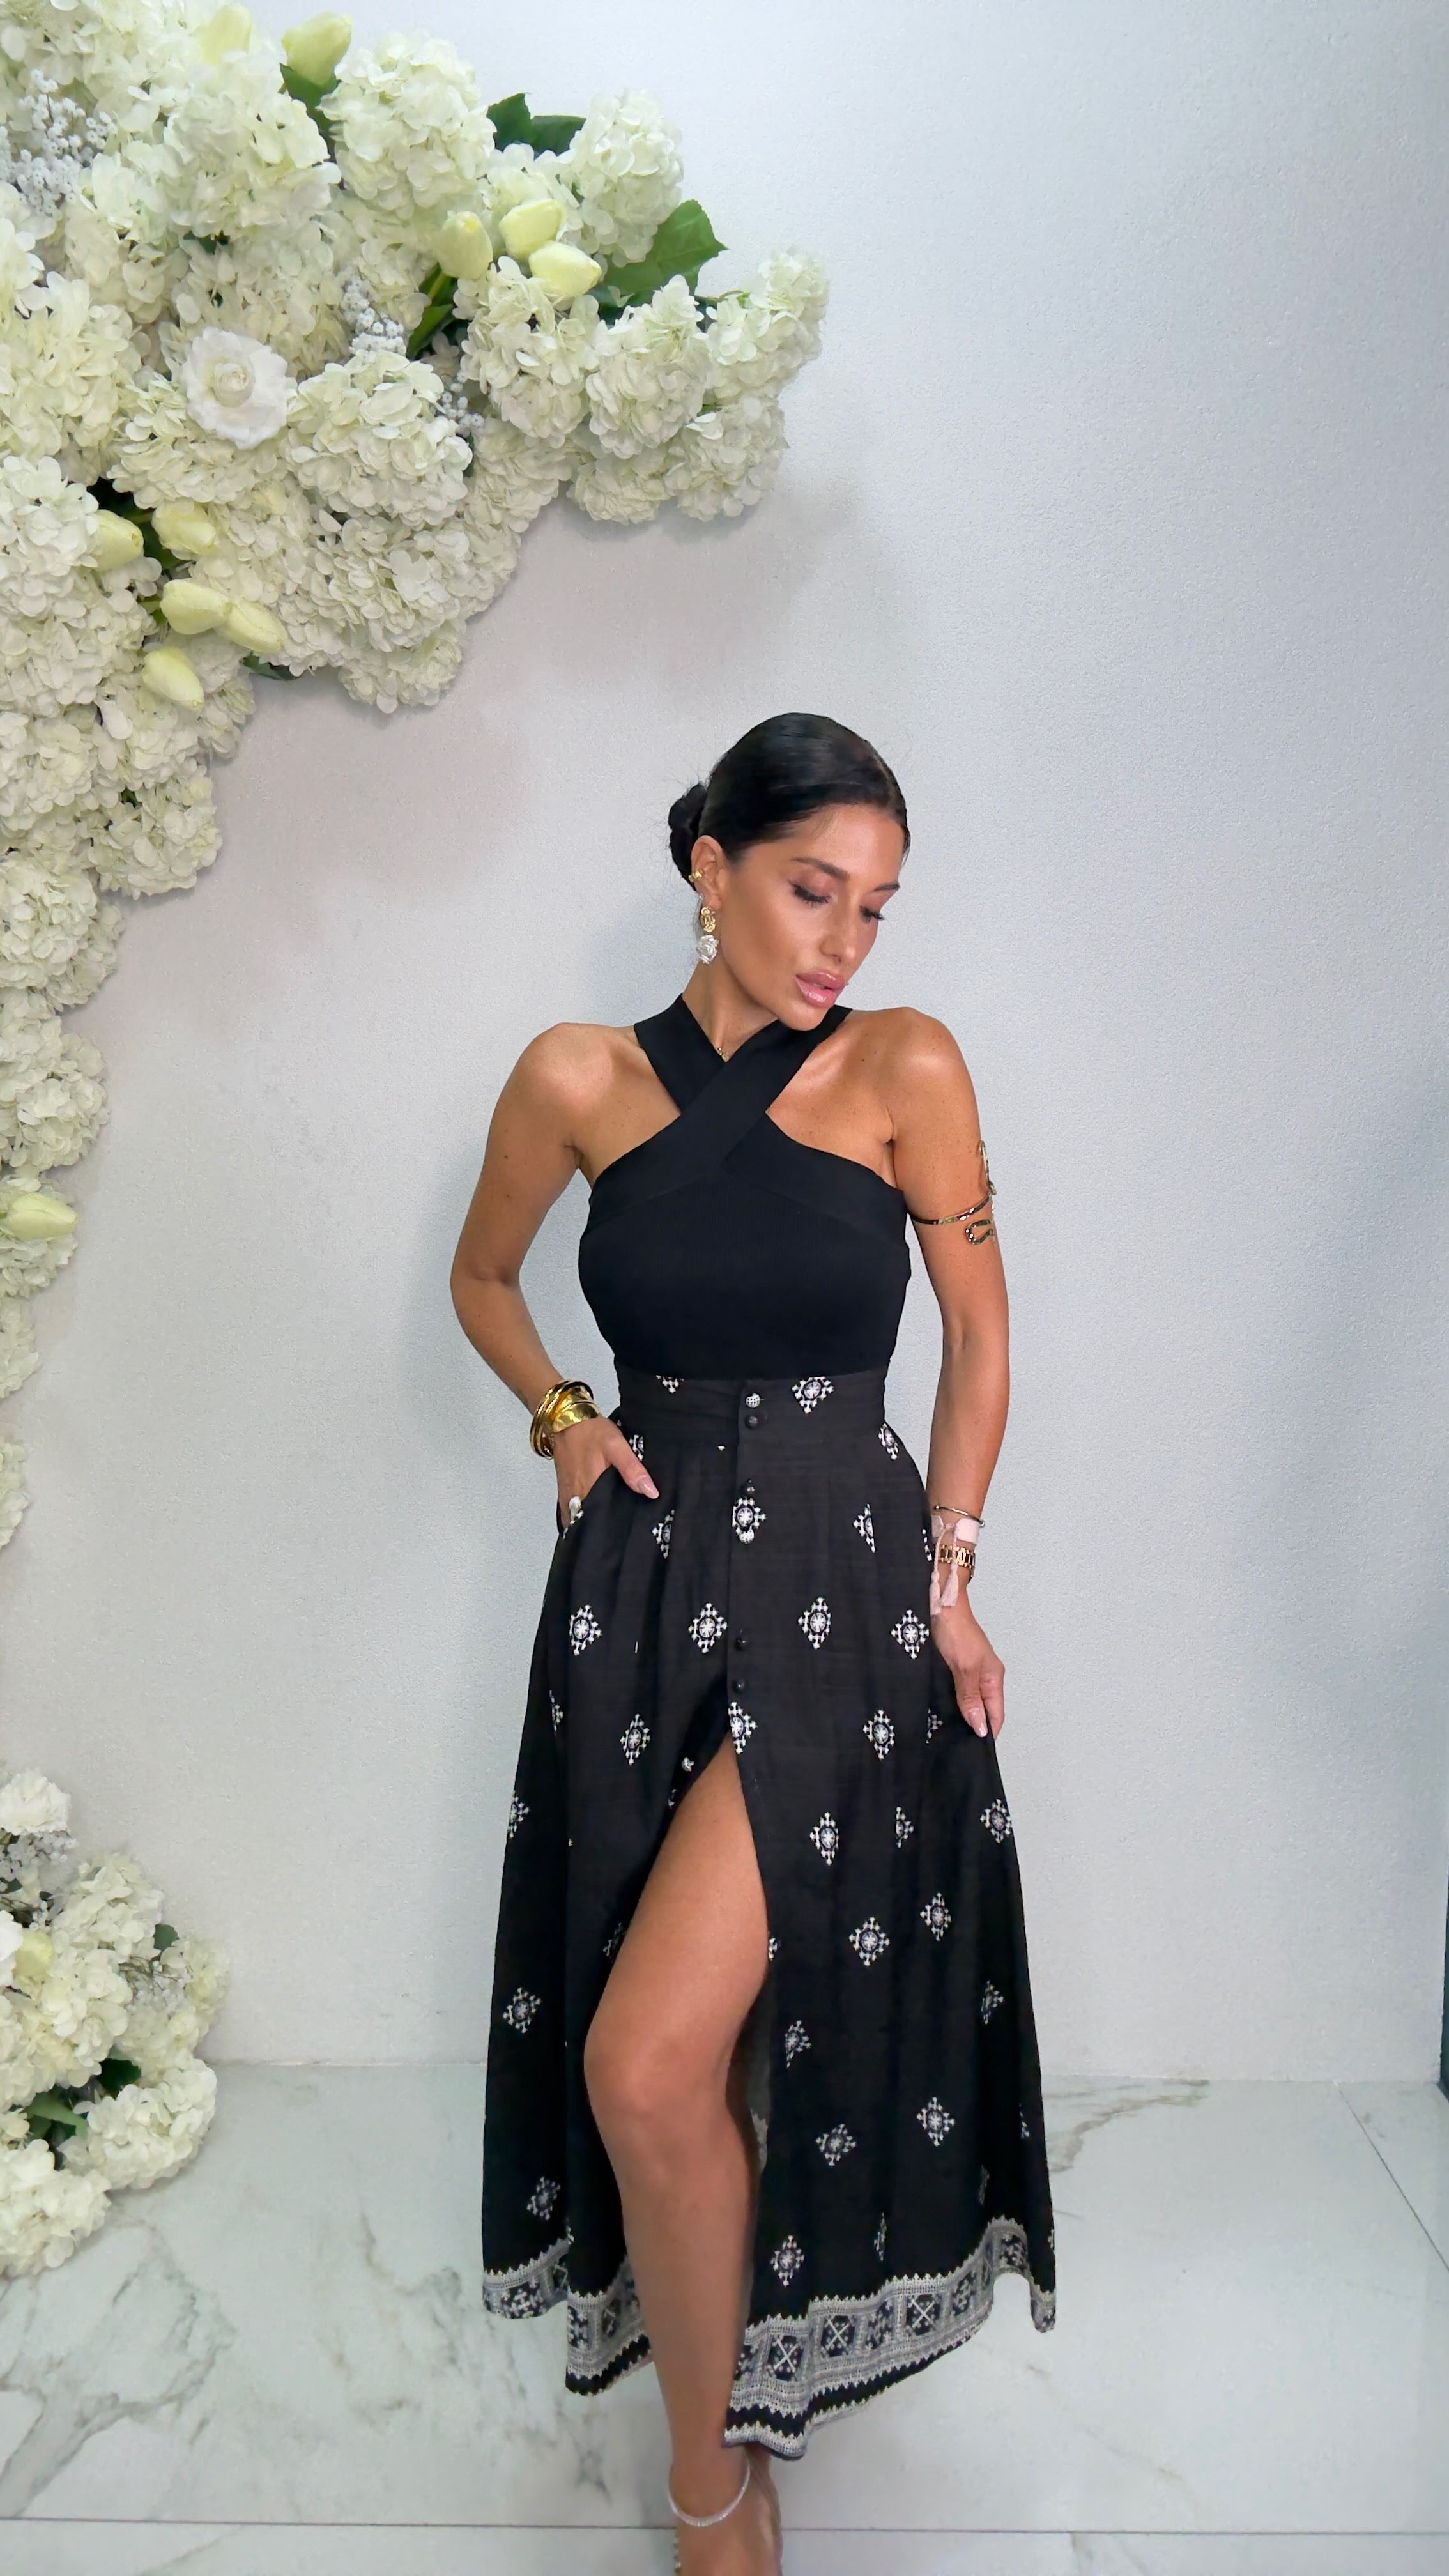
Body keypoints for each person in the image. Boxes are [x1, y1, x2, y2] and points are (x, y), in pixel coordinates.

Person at [450, 712, 1055, 2573]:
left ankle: (711, 2498)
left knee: (646, 2063)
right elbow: (481, 1277)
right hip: (638, 1596)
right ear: (710, 867)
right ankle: (727, 2433)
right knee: (682, 2067)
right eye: (812, 891)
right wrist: (563, 1416)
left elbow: (980, 1334)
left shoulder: (904, 1063)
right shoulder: (573, 1075)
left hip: (842, 1600)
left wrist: (951, 1576)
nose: (842, 943)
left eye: (874, 908)